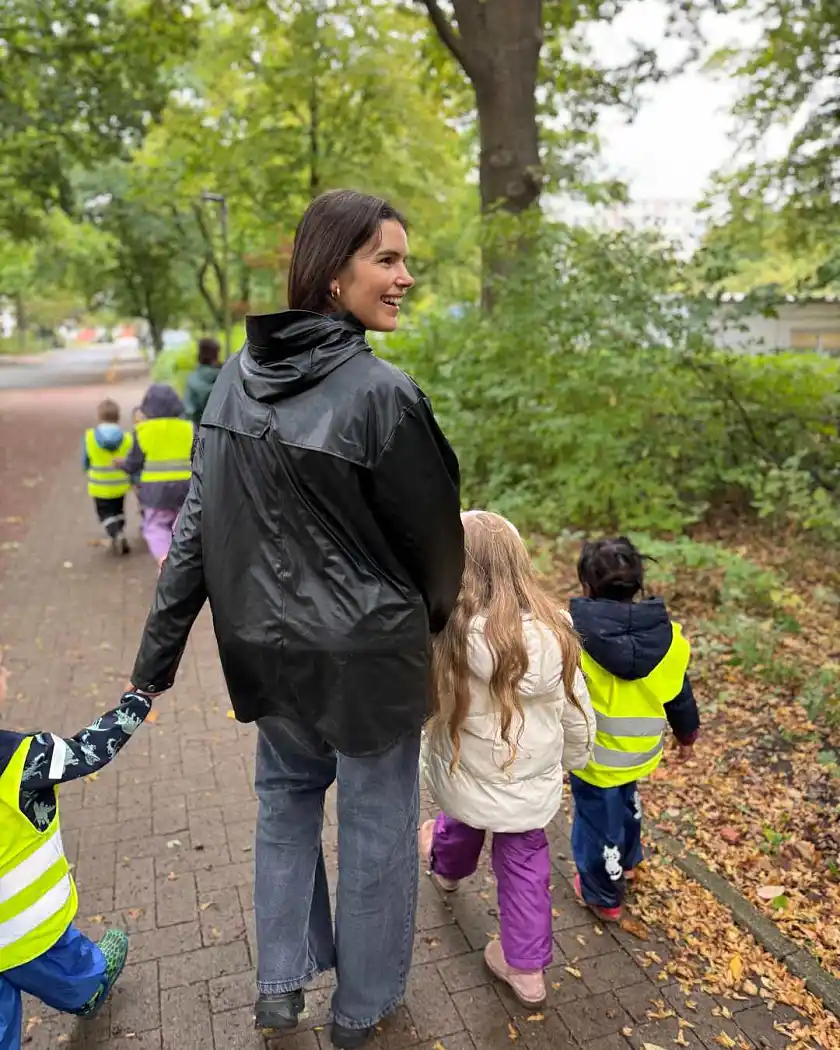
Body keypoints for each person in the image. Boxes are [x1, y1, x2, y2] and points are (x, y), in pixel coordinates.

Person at [129, 189, 465, 1049]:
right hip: (366, 662)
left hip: (266, 654)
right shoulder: (384, 395)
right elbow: (436, 546)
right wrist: (427, 622)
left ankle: (280, 987)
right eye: (387, 259)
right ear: (331, 275)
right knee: (376, 828)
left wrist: (154, 663)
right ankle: (360, 1011)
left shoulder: (237, 380)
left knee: (283, 807)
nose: (406, 276)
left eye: (402, 259)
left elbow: (197, 534)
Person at [420, 511, 596, 1007]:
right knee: (524, 863)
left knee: (462, 819)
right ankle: (526, 970)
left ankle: (447, 870)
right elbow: (576, 708)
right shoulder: (557, 631)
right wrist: (579, 757)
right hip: (529, 782)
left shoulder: (447, 632)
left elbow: (427, 709)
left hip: (465, 773)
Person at [0, 656, 153, 1049]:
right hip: (28, 934)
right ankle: (92, 985)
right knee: (77, 978)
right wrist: (136, 702)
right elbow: (90, 750)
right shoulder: (22, 759)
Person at [568, 536, 700, 921]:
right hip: (640, 752)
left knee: (596, 823)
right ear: (638, 586)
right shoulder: (670, 639)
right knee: (627, 804)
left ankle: (603, 894)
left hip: (594, 757)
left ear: (587, 587)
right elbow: (680, 694)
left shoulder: (574, 638)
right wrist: (687, 735)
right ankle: (626, 861)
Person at [120, 384, 193, 570]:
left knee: (155, 526)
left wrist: (123, 466)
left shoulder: (143, 430)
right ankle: (183, 562)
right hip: (186, 488)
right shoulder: (189, 428)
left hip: (155, 492)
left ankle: (164, 559)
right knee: (183, 525)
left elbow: (134, 463)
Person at [82, 398, 132, 556]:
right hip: (120, 483)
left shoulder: (90, 436)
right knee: (118, 509)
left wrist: (85, 468)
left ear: (99, 417)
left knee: (104, 513)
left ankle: (116, 534)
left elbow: (86, 459)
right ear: (117, 417)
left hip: (99, 484)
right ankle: (120, 531)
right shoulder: (127, 438)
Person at [183, 337, 222, 425]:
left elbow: (189, 412)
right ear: (216, 357)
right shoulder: (227, 377)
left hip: (199, 430)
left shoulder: (192, 380)